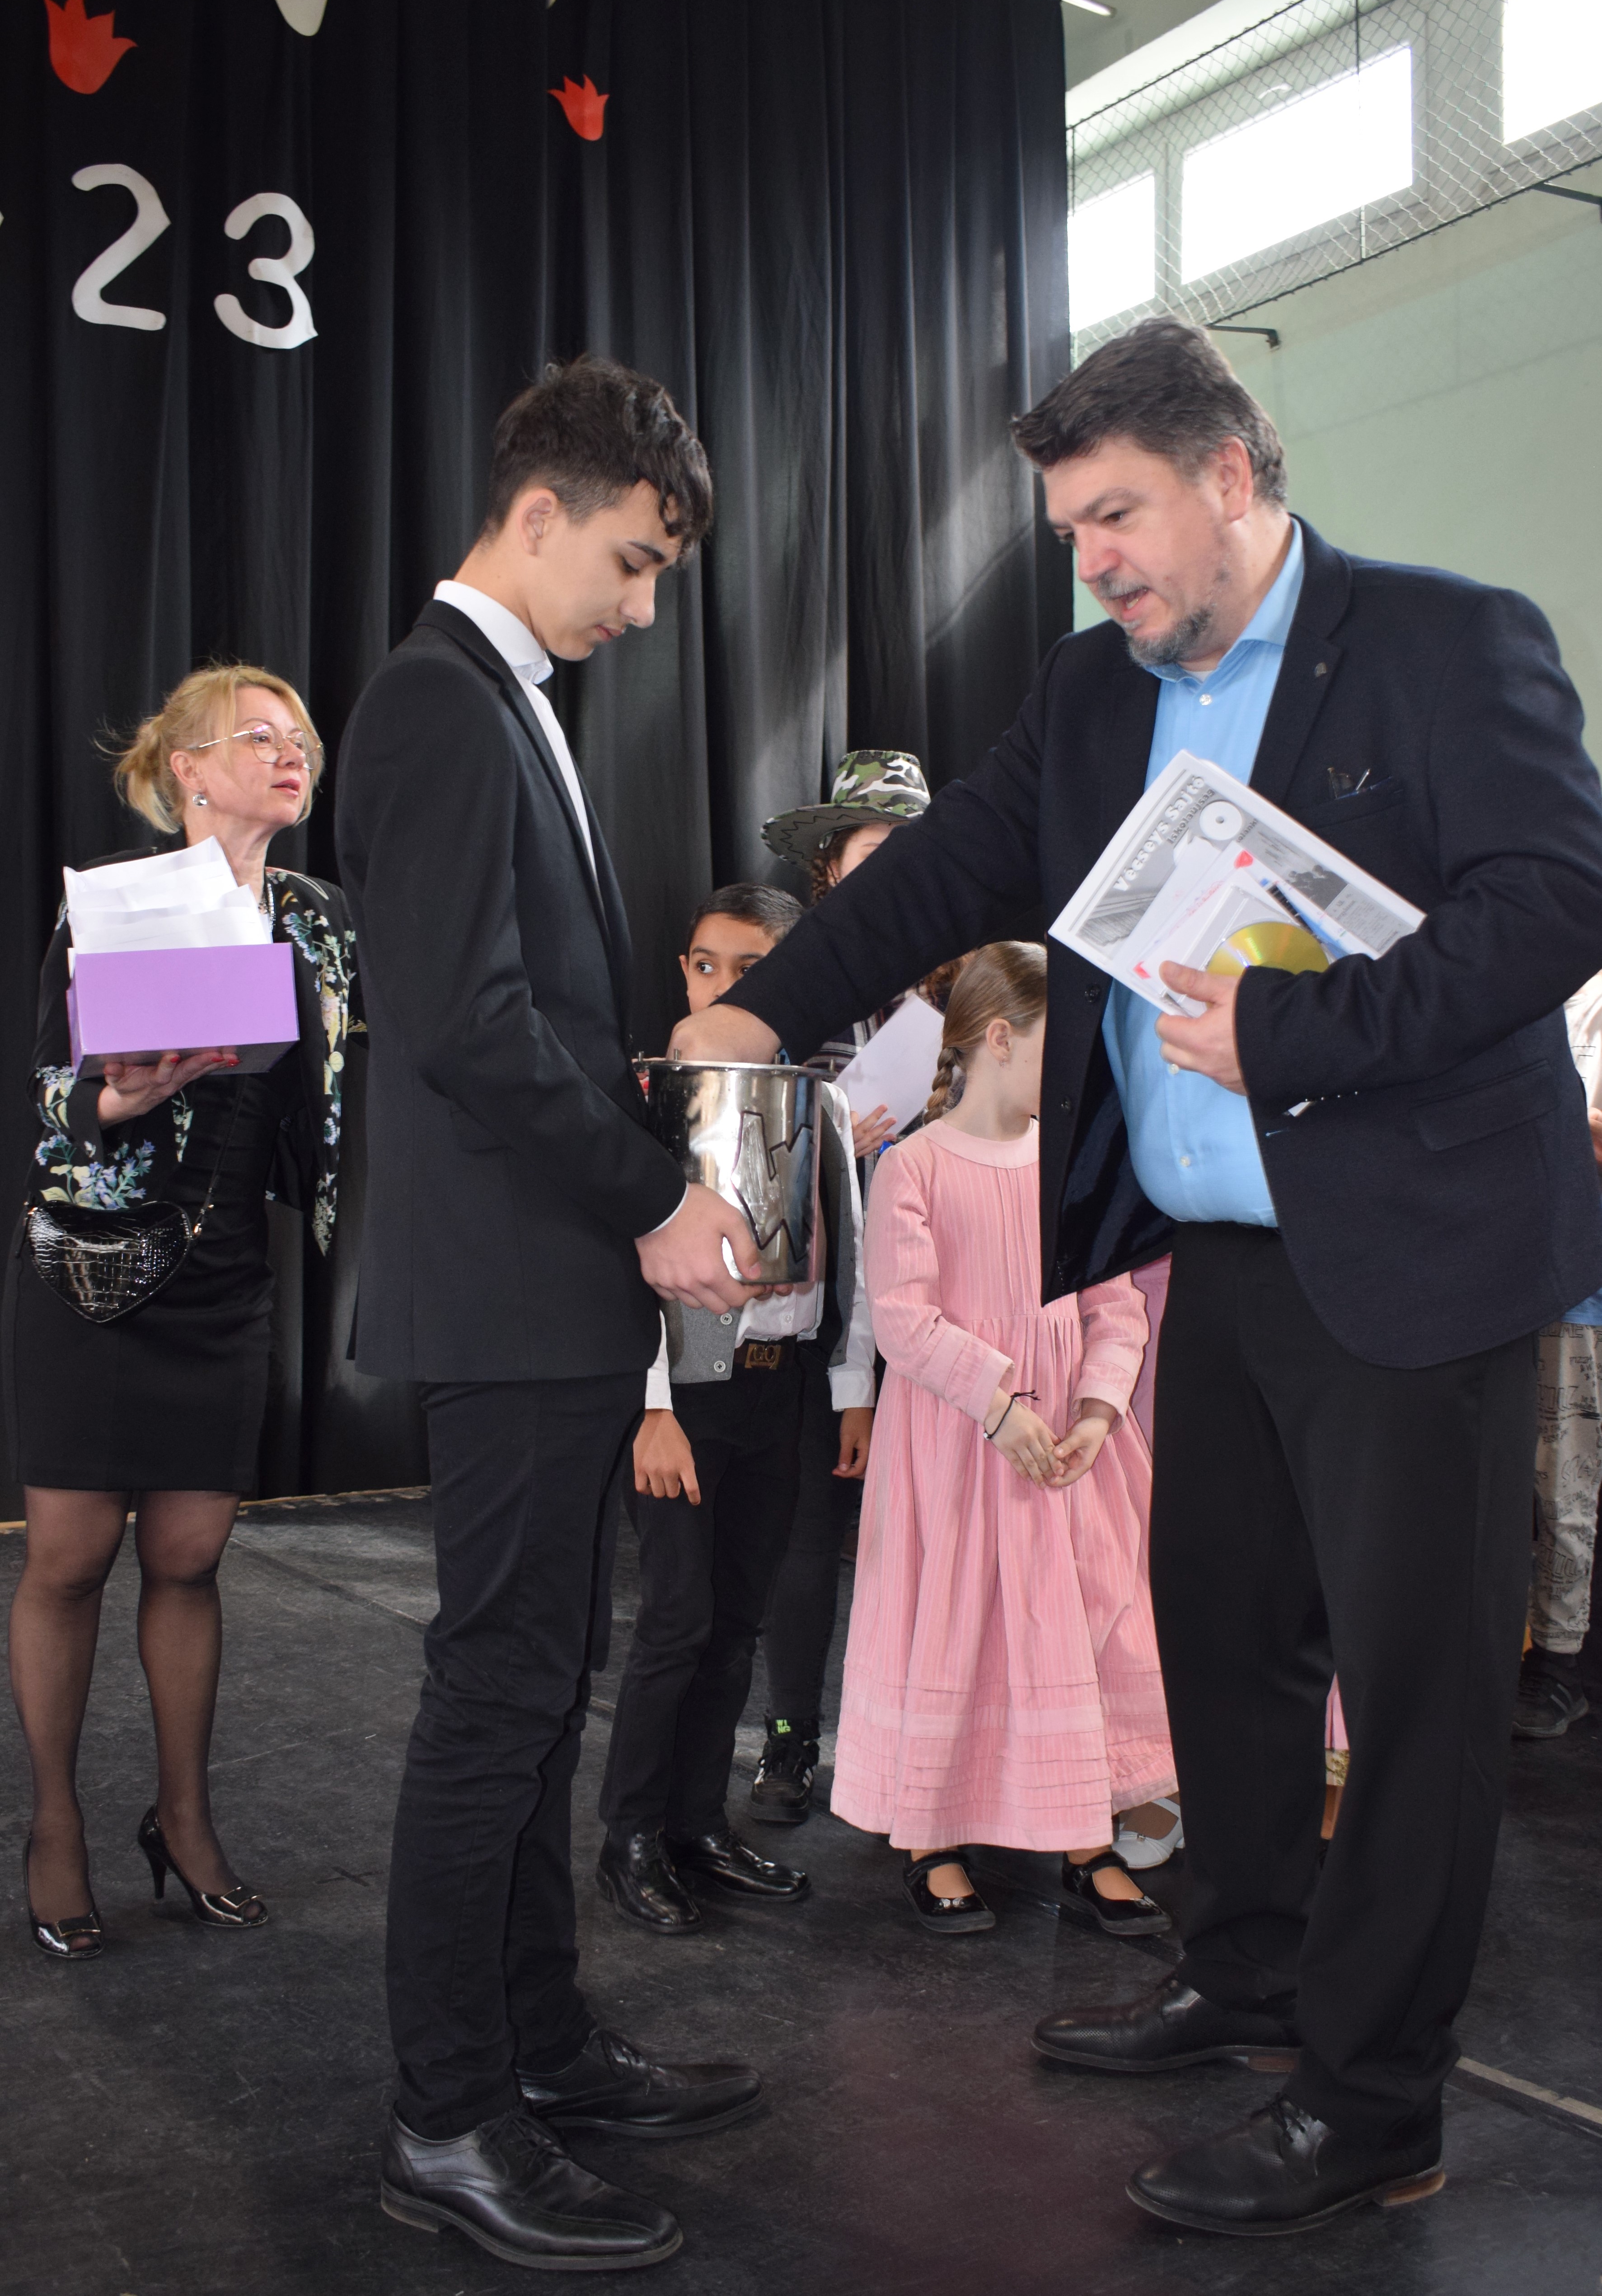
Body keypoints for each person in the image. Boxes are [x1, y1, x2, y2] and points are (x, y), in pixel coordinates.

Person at [656, 318, 1602, 2236]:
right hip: (1208, 1265)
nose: (1089, 561)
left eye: (1116, 517)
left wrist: (1303, 1028)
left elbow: (1557, 896)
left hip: (1413, 1263)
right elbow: (944, 876)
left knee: (1412, 1694)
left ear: (1230, 477)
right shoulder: (1094, 690)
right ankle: (1244, 1975)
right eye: (1070, 530)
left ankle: (1371, 2103)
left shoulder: (1445, 640)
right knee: (1221, 1646)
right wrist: (759, 1012)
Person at [336, 358, 768, 2275]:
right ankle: (448, 2121)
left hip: (543, 1292)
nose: (644, 606)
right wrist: (656, 1192)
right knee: (498, 1700)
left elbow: (526, 1019)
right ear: (536, 516)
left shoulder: (497, 698)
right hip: (514, 1293)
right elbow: (465, 1023)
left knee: (531, 1695)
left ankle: (538, 2047)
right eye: (634, 561)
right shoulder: (439, 700)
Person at [5, 665, 357, 1957]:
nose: (289, 752)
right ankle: (54, 1825)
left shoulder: (319, 916)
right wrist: (117, 1099)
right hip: (94, 1268)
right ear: (187, 770)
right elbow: (51, 1086)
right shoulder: (119, 899)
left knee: (190, 1558)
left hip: (225, 1274)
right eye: (257, 736)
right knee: (67, 1560)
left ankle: (185, 1818)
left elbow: (337, 1085)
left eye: (299, 736)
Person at [835, 943, 1173, 1939]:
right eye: (1058, 1048)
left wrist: (1098, 1410)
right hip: (959, 1447)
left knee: (1085, 1625)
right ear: (998, 1038)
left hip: (1066, 1449)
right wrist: (998, 1403)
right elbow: (904, 1318)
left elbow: (1116, 1306)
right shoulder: (915, 1166)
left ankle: (1084, 1835)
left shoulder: (1073, 1166)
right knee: (958, 1624)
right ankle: (933, 1834)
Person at [597, 884, 875, 1931]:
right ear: (682, 970)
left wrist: (849, 1387)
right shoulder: (649, 1097)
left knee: (739, 1618)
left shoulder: (820, 1101)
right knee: (676, 1617)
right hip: (685, 1394)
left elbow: (853, 1252)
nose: (720, 987)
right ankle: (630, 1836)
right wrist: (650, 1405)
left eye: (752, 970)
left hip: (783, 1386)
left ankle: (698, 1824)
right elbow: (620, 1265)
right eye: (705, 964)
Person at [748, 752, 928, 1823]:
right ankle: (790, 1739)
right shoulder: (788, 982)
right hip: (823, 1305)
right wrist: (827, 1140)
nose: (895, 868)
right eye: (873, 850)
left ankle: (922, 1755)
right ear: (828, 866)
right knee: (806, 1533)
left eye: (915, 850)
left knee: (930, 1542)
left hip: (950, 1301)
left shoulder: (967, 985)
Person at [1517, 967, 1602, 1737]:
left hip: (1576, 1285)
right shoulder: (1554, 987)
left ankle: (1553, 1667)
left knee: (1563, 1487)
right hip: (1507, 1278)